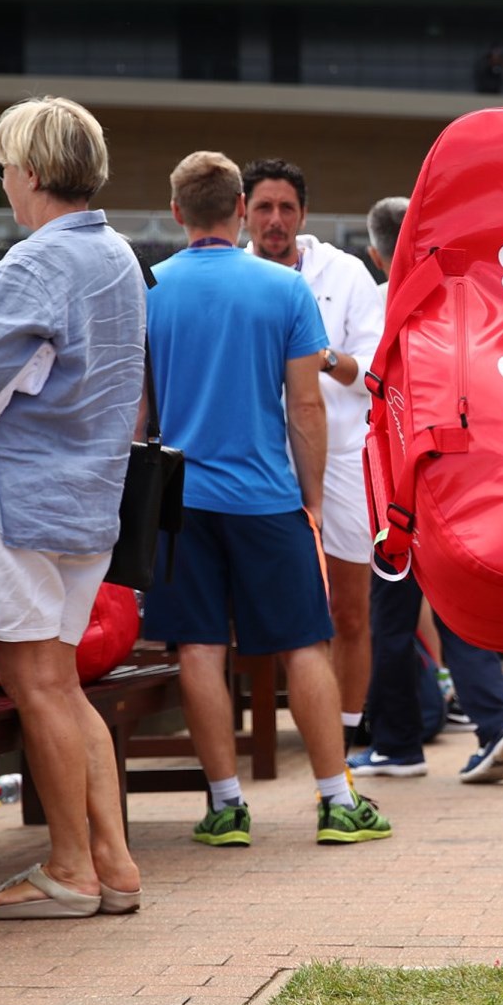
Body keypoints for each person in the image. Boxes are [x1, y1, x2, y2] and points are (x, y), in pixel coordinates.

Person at [0, 96, 144, 918]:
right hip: (89, 502)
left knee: (39, 683)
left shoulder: (35, 263)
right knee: (64, 683)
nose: (4, 181)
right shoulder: (119, 255)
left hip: (18, 497)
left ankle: (70, 868)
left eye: (4, 166)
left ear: (34, 169)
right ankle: (113, 865)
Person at [142, 151, 391, 847]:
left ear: (178, 213)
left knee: (196, 647)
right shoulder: (285, 290)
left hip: (180, 498)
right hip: (266, 495)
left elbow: (139, 409)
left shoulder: (151, 287)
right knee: (303, 642)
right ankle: (337, 800)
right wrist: (310, 500)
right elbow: (306, 408)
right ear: (239, 210)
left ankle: (225, 806)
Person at [349, 195, 503, 784]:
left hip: (396, 485)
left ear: (380, 255)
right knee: (457, 609)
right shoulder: (466, 302)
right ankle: (496, 721)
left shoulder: (377, 309)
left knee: (393, 617)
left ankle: (399, 744)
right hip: (459, 477)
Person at [243, 159, 383, 751]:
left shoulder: (345, 272)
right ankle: (303, 736)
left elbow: (374, 373)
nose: (275, 221)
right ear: (243, 213)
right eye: (263, 208)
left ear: (303, 215)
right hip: (261, 462)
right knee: (279, 616)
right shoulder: (236, 274)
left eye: (286, 209)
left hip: (346, 458)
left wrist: (316, 355)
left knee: (350, 610)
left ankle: (348, 736)